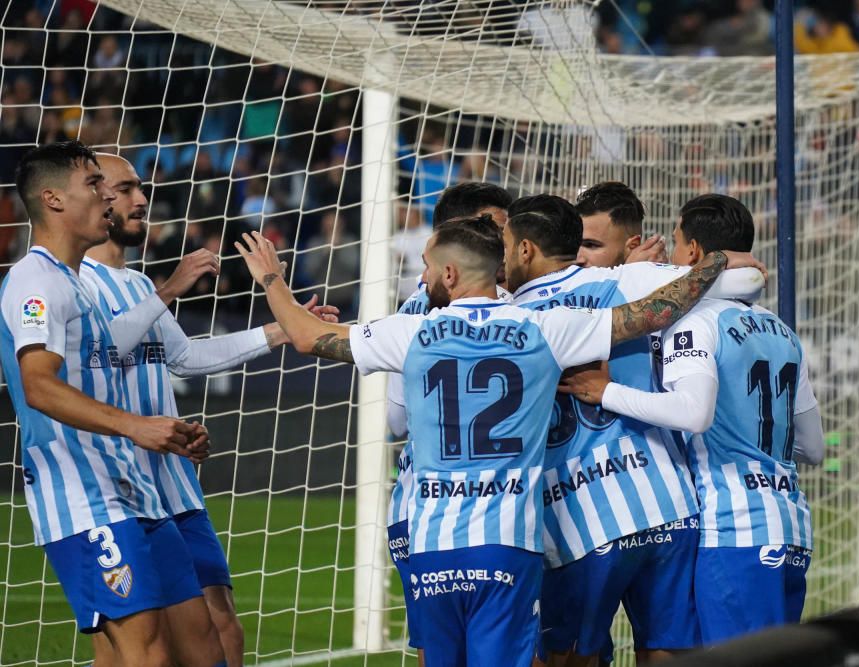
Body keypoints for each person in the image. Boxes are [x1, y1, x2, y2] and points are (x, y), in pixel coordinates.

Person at [235, 215, 765, 667]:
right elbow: (654, 313)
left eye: (425, 266)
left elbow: (306, 336)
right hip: (507, 545)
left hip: (431, 545)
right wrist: (711, 265)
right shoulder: (543, 326)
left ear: (448, 273)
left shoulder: (413, 331)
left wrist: (271, 281)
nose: (422, 277)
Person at [77, 153, 338, 667]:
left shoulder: (133, 284)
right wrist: (170, 288)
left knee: (222, 624)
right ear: (95, 196)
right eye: (126, 188)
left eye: (140, 188)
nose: (141, 199)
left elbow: (186, 357)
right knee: (130, 639)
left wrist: (282, 331)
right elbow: (99, 351)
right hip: (116, 486)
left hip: (171, 477)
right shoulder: (75, 281)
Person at [505, 189, 763, 666]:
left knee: (564, 657)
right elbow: (746, 276)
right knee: (668, 649)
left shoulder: (508, 312)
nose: (585, 256)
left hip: (579, 517)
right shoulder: (628, 281)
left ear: (525, 248)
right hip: (668, 504)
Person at [561, 194, 824, 644]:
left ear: (696, 253)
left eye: (679, 244)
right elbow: (814, 448)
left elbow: (692, 412)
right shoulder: (782, 331)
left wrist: (608, 392)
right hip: (792, 527)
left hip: (736, 528)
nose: (674, 259)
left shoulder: (696, 319)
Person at [0, 141, 216, 667]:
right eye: (93, 185)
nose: (107, 197)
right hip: (82, 499)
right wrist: (138, 428)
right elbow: (39, 386)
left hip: (131, 486)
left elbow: (122, 369)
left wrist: (166, 429)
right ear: (52, 200)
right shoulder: (34, 280)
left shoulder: (83, 288)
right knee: (148, 654)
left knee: (202, 641)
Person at [386, 181, 513, 663]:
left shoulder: (407, 314)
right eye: (493, 228)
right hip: (492, 516)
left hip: (420, 515)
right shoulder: (515, 312)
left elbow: (396, 420)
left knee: (439, 653)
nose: (504, 243)